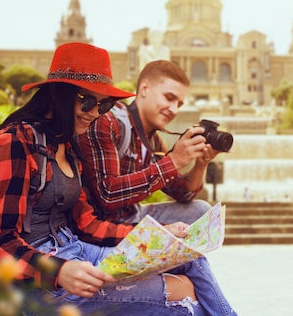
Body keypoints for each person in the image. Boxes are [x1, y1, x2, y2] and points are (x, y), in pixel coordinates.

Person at [0, 42, 249, 316]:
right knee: (184, 300)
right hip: (36, 285)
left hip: (77, 252)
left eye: (104, 105)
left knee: (191, 258)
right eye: (87, 102)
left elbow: (87, 224)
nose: (96, 113)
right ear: (58, 94)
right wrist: (58, 271)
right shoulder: (15, 141)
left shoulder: (65, 145)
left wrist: (157, 237)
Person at [76, 59, 216, 227]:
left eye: (179, 104)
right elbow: (108, 195)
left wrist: (201, 164)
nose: (174, 110)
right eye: (169, 98)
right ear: (144, 88)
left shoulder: (154, 140)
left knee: (201, 211)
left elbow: (183, 194)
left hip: (132, 215)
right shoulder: (108, 121)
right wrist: (173, 161)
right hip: (102, 224)